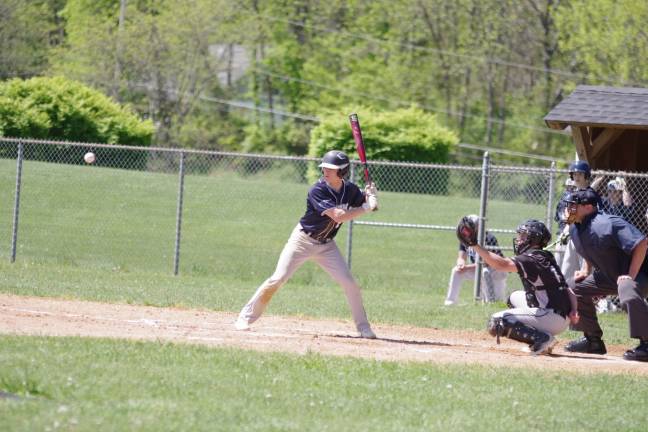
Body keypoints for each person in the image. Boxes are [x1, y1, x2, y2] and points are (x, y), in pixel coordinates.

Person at [234, 150, 379, 339]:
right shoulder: (317, 190)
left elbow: (366, 203)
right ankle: (244, 318)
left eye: (331, 168)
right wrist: (367, 207)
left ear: (342, 172)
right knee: (278, 278)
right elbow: (339, 216)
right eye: (324, 167)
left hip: (327, 246)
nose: (325, 171)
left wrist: (371, 195)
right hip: (302, 241)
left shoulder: (350, 190)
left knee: (350, 284)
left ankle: (363, 328)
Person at [461, 218, 579, 355]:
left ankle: (542, 339)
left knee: (497, 322)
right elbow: (566, 288)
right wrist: (574, 310)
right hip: (558, 314)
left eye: (523, 236)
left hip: (552, 317)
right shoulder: (544, 256)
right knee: (513, 298)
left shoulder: (531, 258)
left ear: (534, 239)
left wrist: (475, 245)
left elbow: (502, 265)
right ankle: (544, 335)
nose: (518, 239)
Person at [562, 188, 648, 362]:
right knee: (573, 288)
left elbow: (642, 244)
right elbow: (589, 249)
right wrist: (586, 271)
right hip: (611, 276)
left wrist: (630, 275)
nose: (568, 209)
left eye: (573, 205)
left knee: (626, 289)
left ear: (588, 208)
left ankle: (646, 344)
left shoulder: (608, 223)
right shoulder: (576, 228)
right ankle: (592, 341)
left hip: (640, 274)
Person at [444, 215, 507, 305]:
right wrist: (460, 264)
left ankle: (489, 302)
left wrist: (467, 268)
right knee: (456, 271)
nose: (467, 230)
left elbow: (487, 263)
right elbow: (461, 257)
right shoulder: (466, 237)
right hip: (478, 269)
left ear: (478, 227)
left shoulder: (488, 238)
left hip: (495, 271)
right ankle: (450, 302)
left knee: (497, 302)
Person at [553, 178, 577, 266]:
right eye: (568, 187)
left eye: (572, 188)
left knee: (560, 265)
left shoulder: (562, 201)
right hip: (568, 236)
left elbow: (557, 218)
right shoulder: (576, 201)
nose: (570, 190)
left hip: (564, 235)